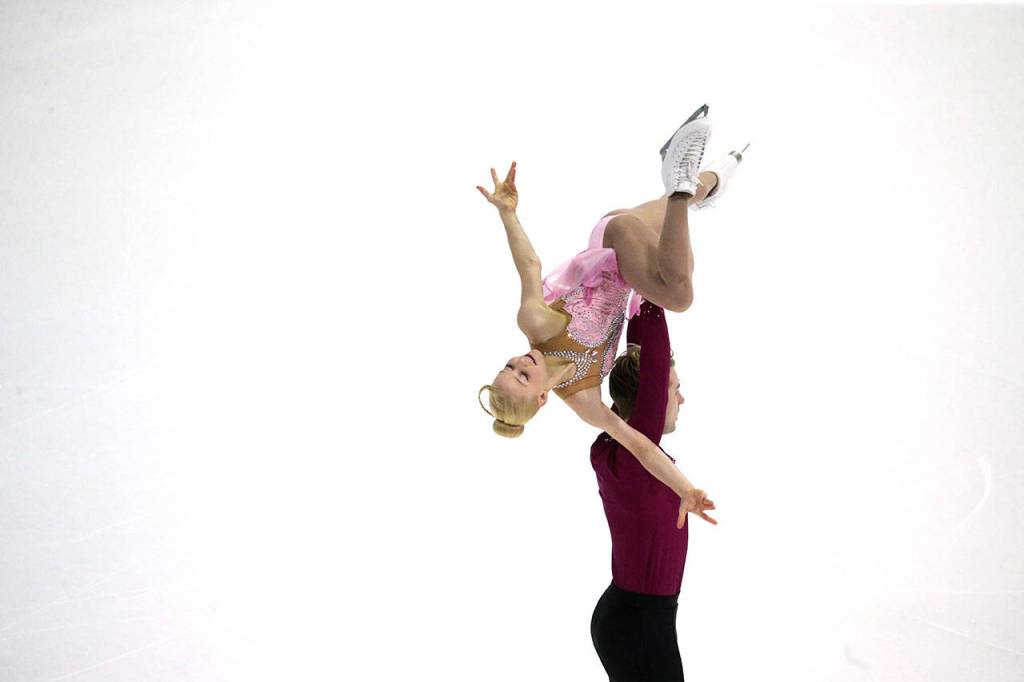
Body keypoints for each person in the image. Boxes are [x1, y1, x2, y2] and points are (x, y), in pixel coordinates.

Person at [476, 104, 744, 515]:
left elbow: (529, 266)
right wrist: (684, 489)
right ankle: (709, 169)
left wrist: (508, 214)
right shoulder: (583, 400)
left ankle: (680, 183)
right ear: (543, 397)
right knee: (693, 200)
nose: (518, 363)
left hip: (612, 241)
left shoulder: (535, 324)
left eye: (508, 366)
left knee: (680, 295)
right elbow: (636, 442)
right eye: (522, 375)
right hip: (635, 272)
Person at [590, 300, 713, 681]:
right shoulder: (635, 457)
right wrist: (654, 298)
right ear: (654, 396)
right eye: (674, 389)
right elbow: (654, 368)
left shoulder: (616, 451)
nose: (680, 399)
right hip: (641, 625)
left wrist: (642, 304)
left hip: (635, 619)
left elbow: (645, 365)